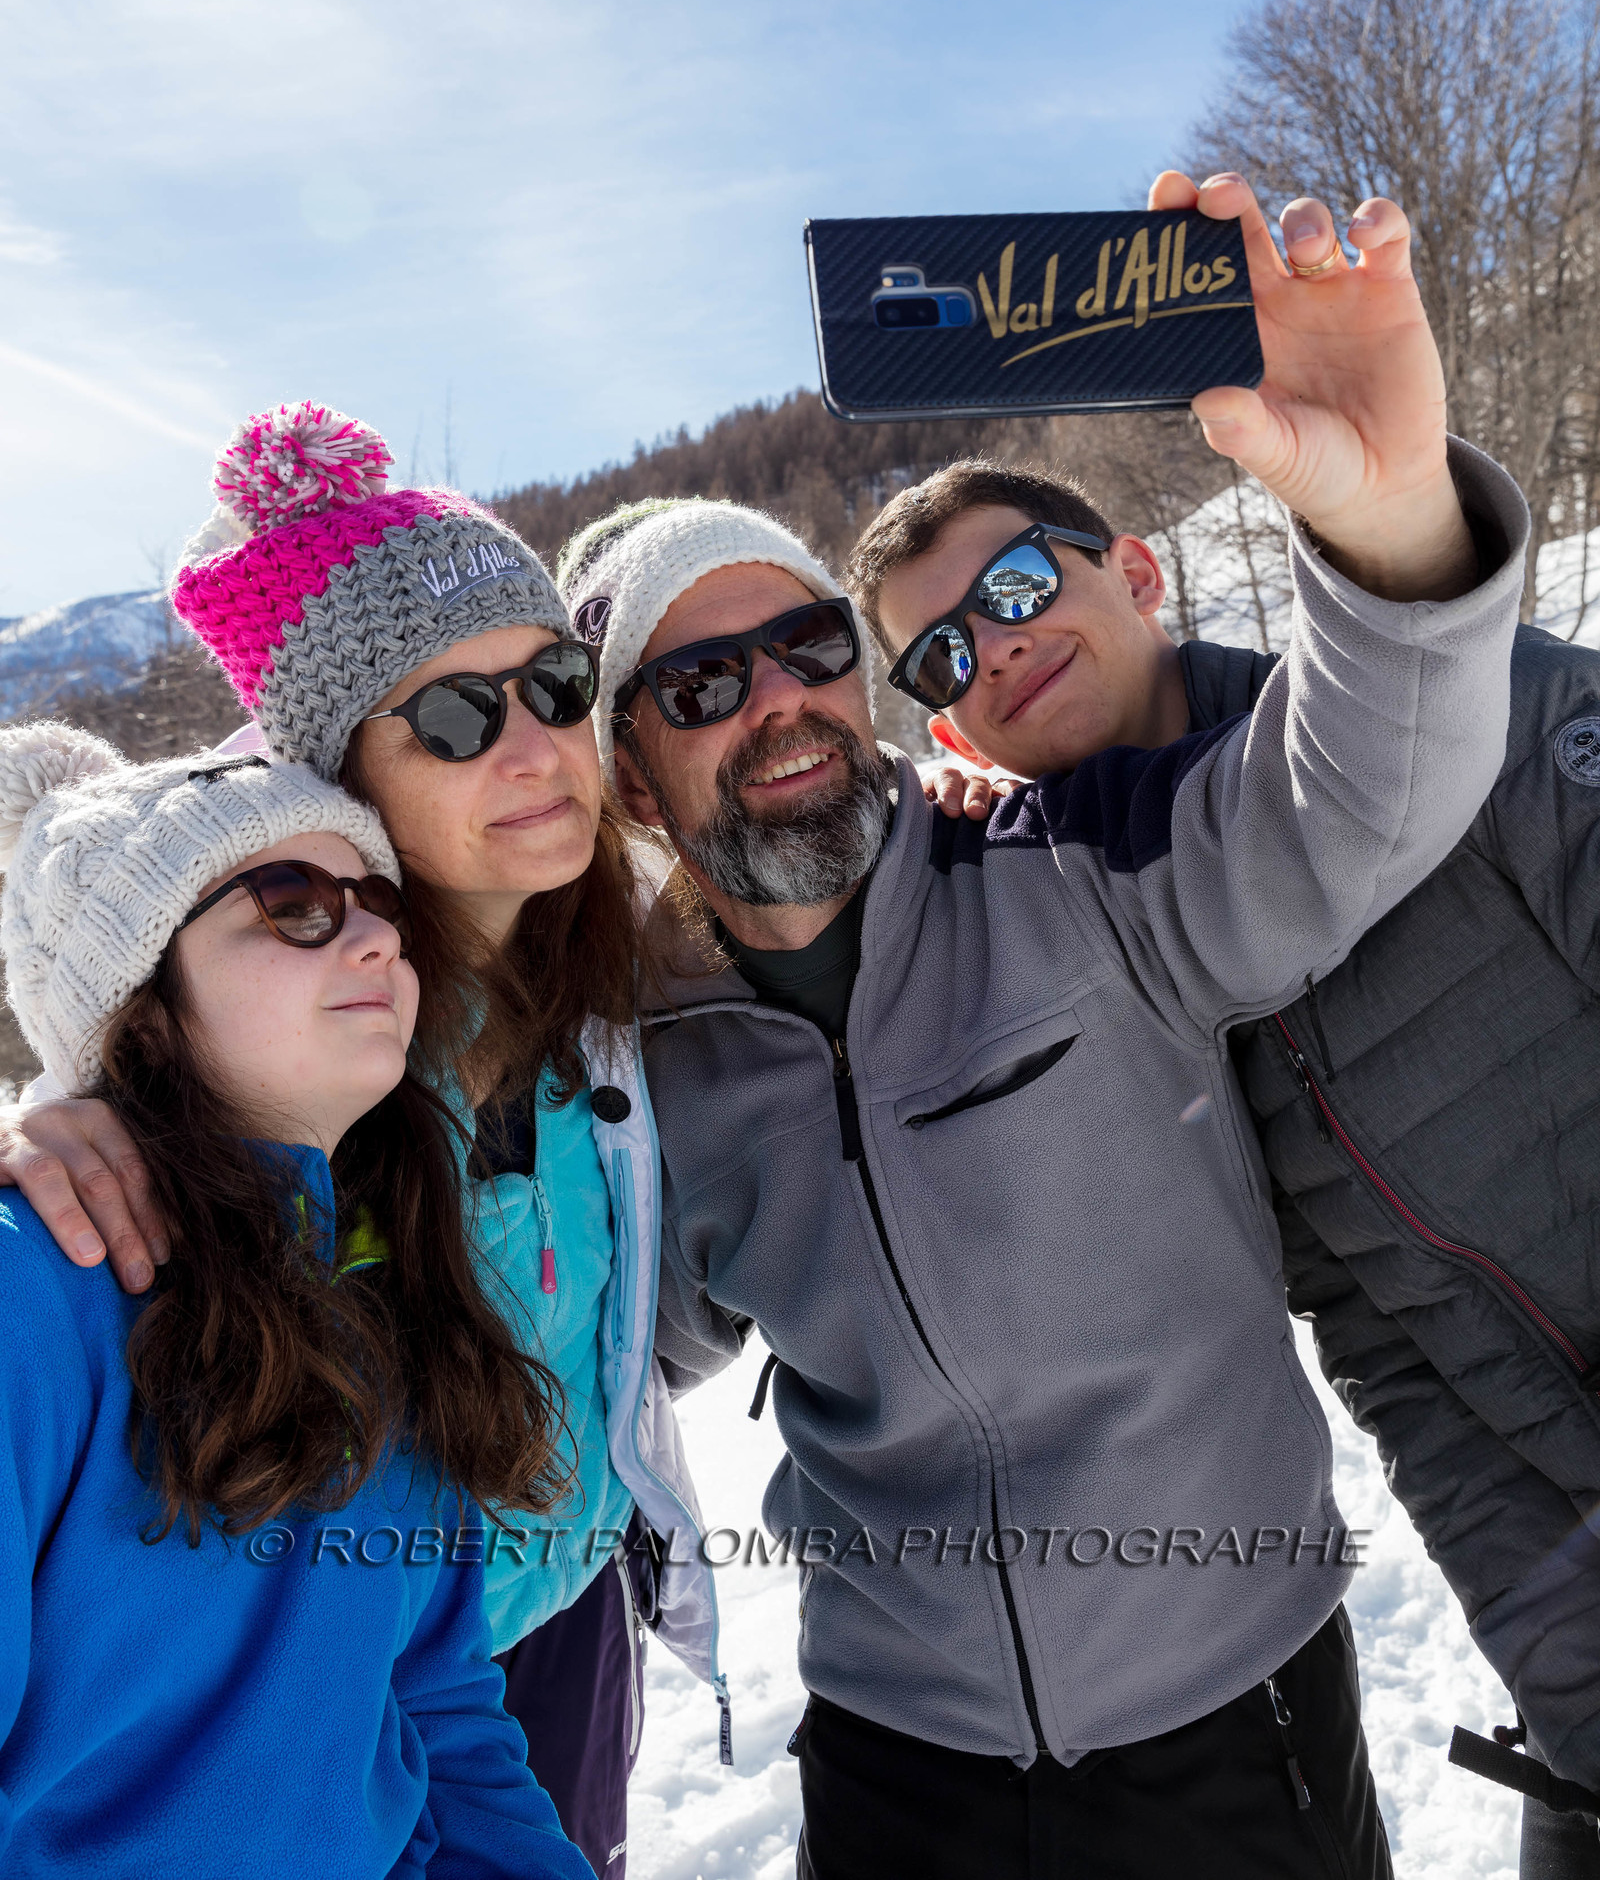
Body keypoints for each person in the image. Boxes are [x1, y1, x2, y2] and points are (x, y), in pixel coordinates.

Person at [548, 170, 1530, 1880]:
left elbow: (1364, 794)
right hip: (895, 1748)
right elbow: (594, 1325)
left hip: (1228, 1708)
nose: (777, 700)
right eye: (705, 685)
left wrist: (1391, 528)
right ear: (634, 769)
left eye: (804, 646)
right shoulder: (648, 1062)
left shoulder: (1074, 864)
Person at [847, 441, 1600, 1871]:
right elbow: (1381, 1336)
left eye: (1019, 584)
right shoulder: (1096, 958)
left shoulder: (1468, 710)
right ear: (951, 733)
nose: (994, 646)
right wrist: (1572, 1680)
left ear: (1139, 570)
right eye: (941, 653)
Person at [0, 404, 725, 1880]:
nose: (530, 743)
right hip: (314, 1657)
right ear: (339, 767)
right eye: (452, 715)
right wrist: (48, 1112)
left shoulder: (628, 967)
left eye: (555, 683)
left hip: (514, 1631)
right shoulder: (300, 1071)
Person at [0, 720, 590, 1878]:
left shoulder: (389, 1278)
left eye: (378, 900)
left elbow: (435, 1701)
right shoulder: (34, 1285)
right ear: (147, 1007)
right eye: (292, 900)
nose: (372, 932)